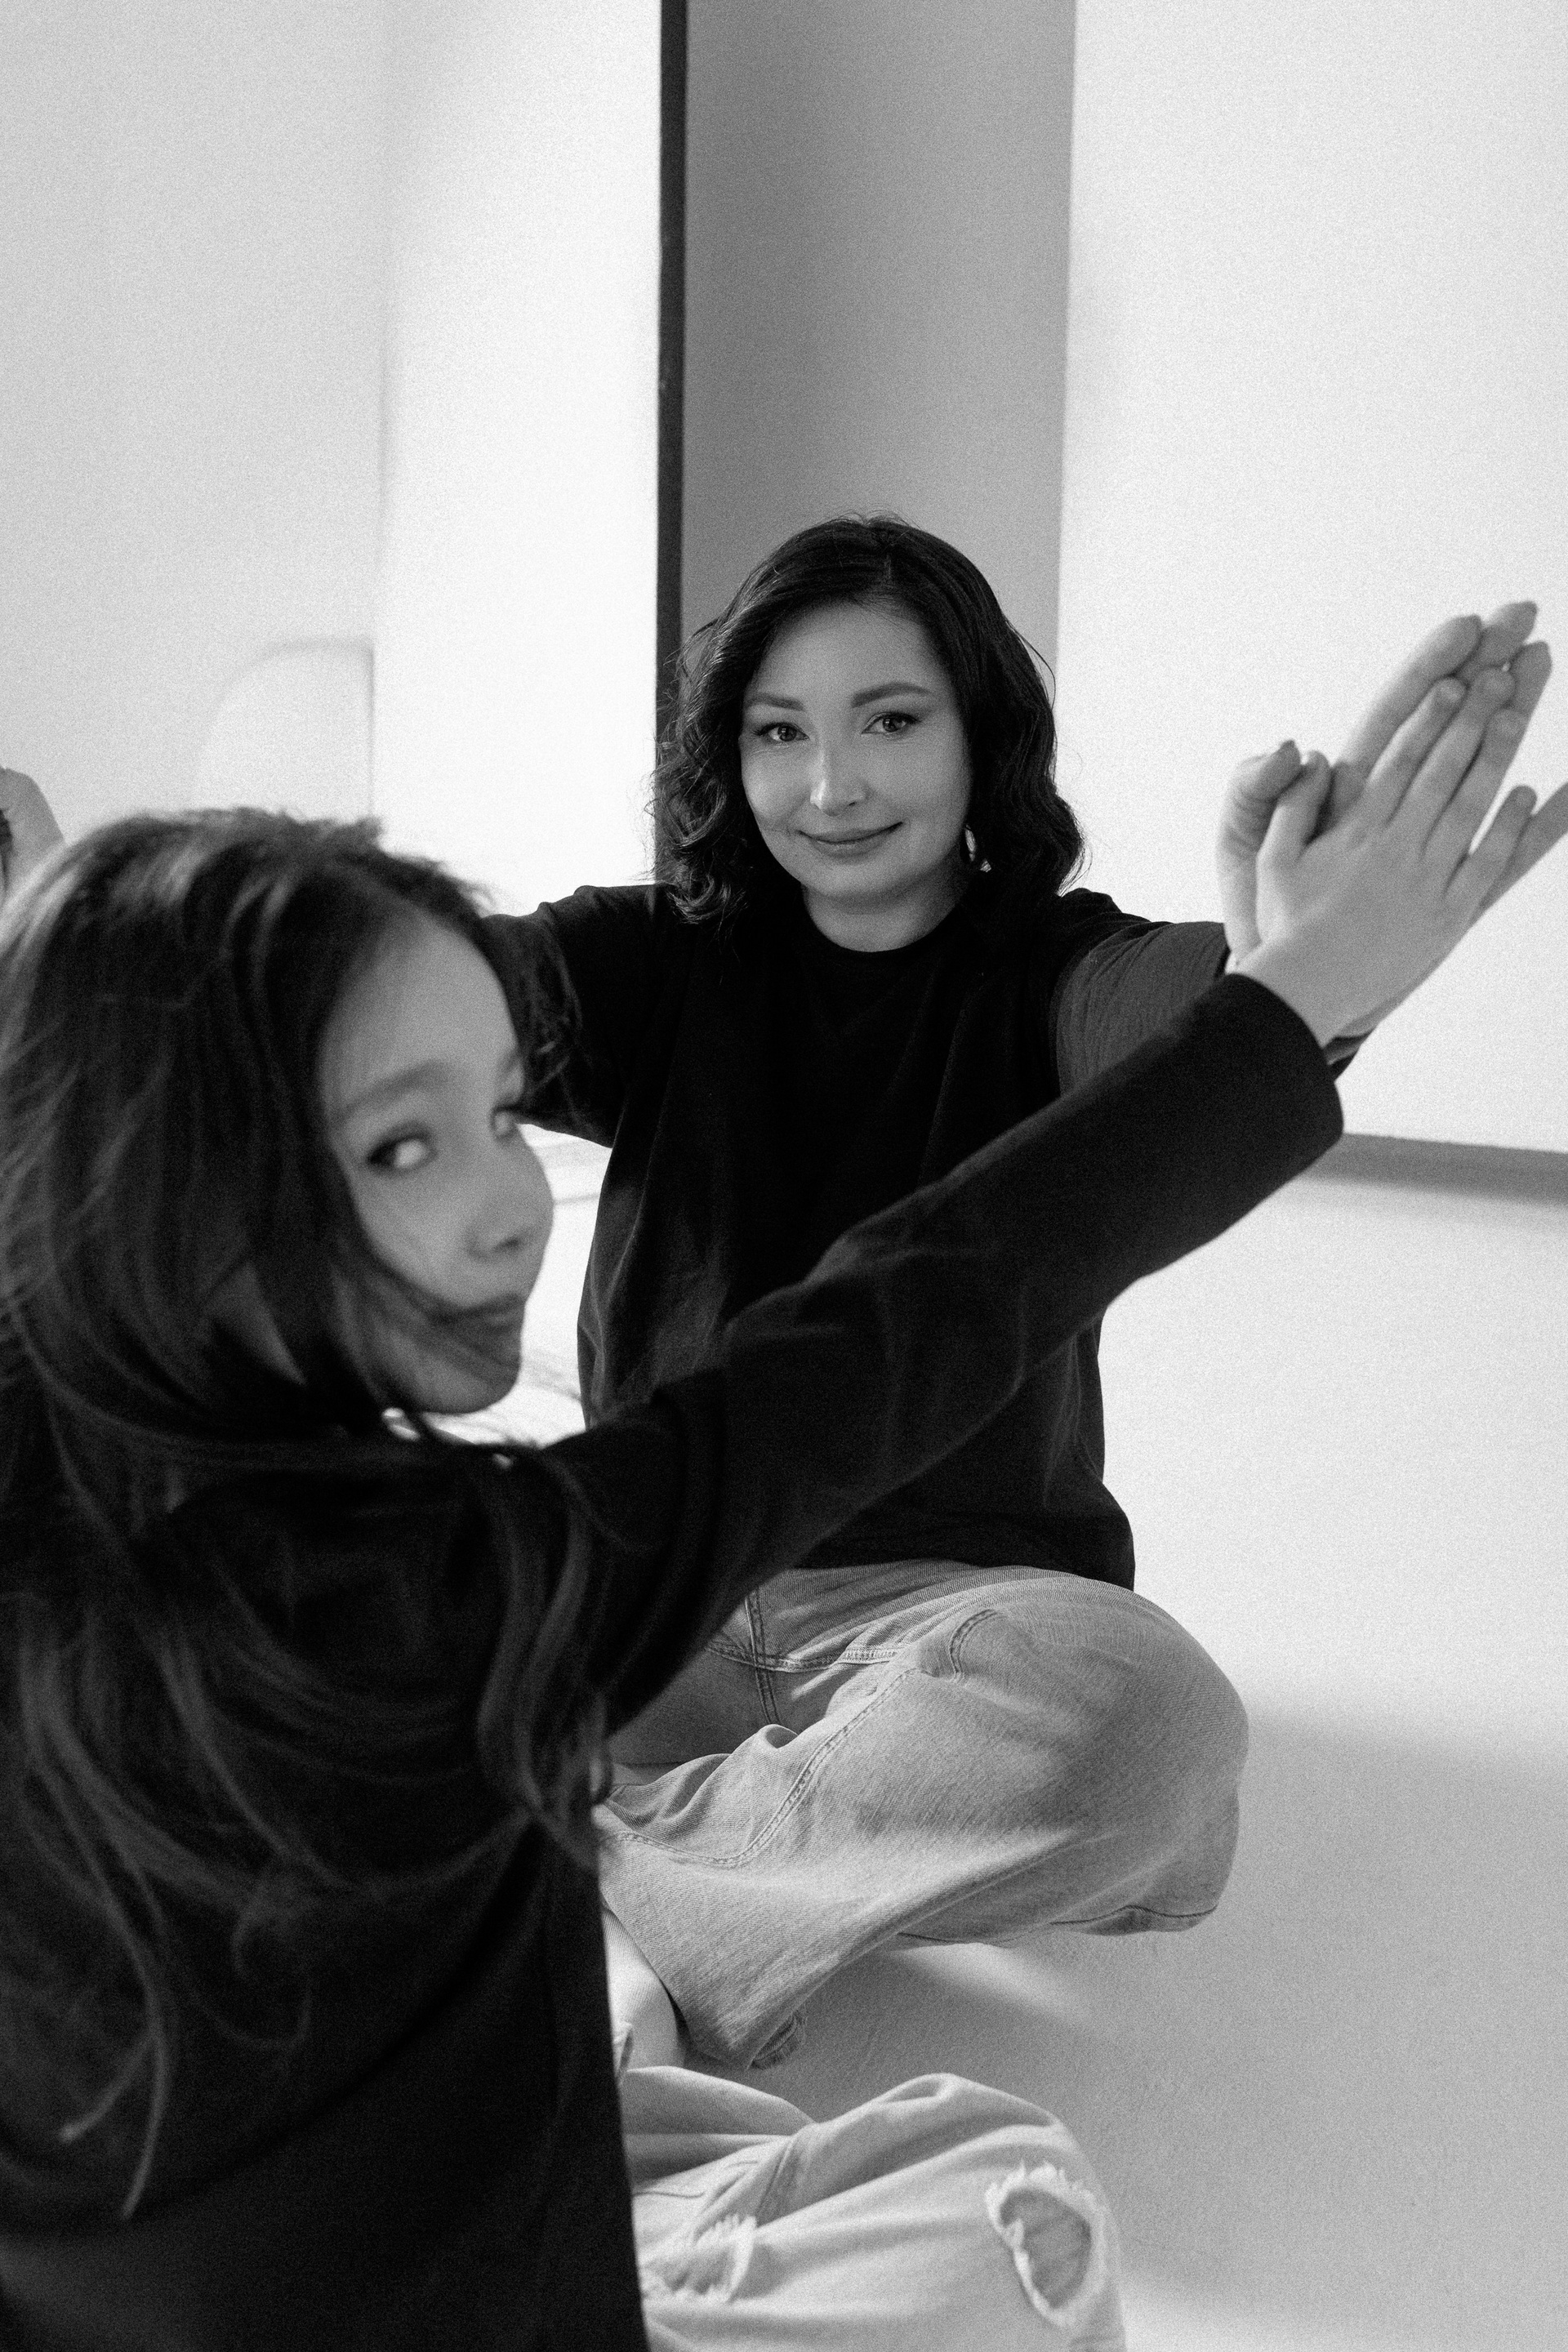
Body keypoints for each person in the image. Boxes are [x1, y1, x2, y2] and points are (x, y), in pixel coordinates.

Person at [0, 728, 1542, 2348]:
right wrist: (1300, 994)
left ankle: (641, 1967)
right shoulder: (445, 1588)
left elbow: (961, 1253)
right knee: (1012, 2225)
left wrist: (1290, 984)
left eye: (506, 1114)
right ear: (163, 1184)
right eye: (404, 1145)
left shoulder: (1039, 964)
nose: (513, 1203)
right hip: (459, 2243)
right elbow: (929, 1305)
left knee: (1010, 2052)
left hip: (484, 2067)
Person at [493, 521, 1566, 2074]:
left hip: (945, 1624)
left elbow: (1179, 1037)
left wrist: (1296, 974)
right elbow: (434, 998)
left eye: (890, 721)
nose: (831, 785)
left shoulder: (1058, 971)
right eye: (779, 733)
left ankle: (592, 1896)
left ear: (980, 733)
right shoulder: (651, 962)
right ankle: (718, 1882)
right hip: (652, 1597)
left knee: (1149, 1733)